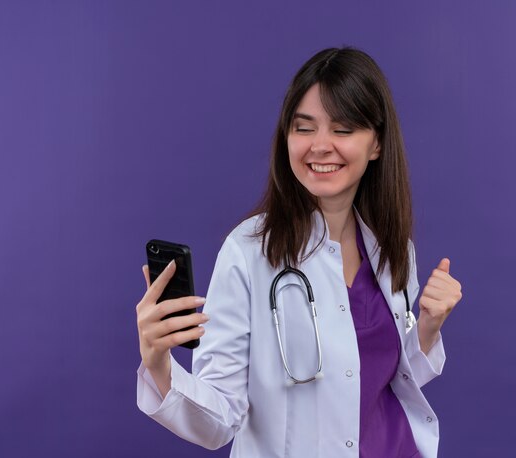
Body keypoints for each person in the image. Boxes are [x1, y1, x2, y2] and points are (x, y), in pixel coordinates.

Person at [136, 47, 463, 458]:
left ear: (376, 144)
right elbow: (219, 420)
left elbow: (377, 380)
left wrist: (428, 328)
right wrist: (159, 366)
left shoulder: (394, 252)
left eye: (343, 130)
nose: (320, 146)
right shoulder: (249, 252)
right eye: (304, 128)